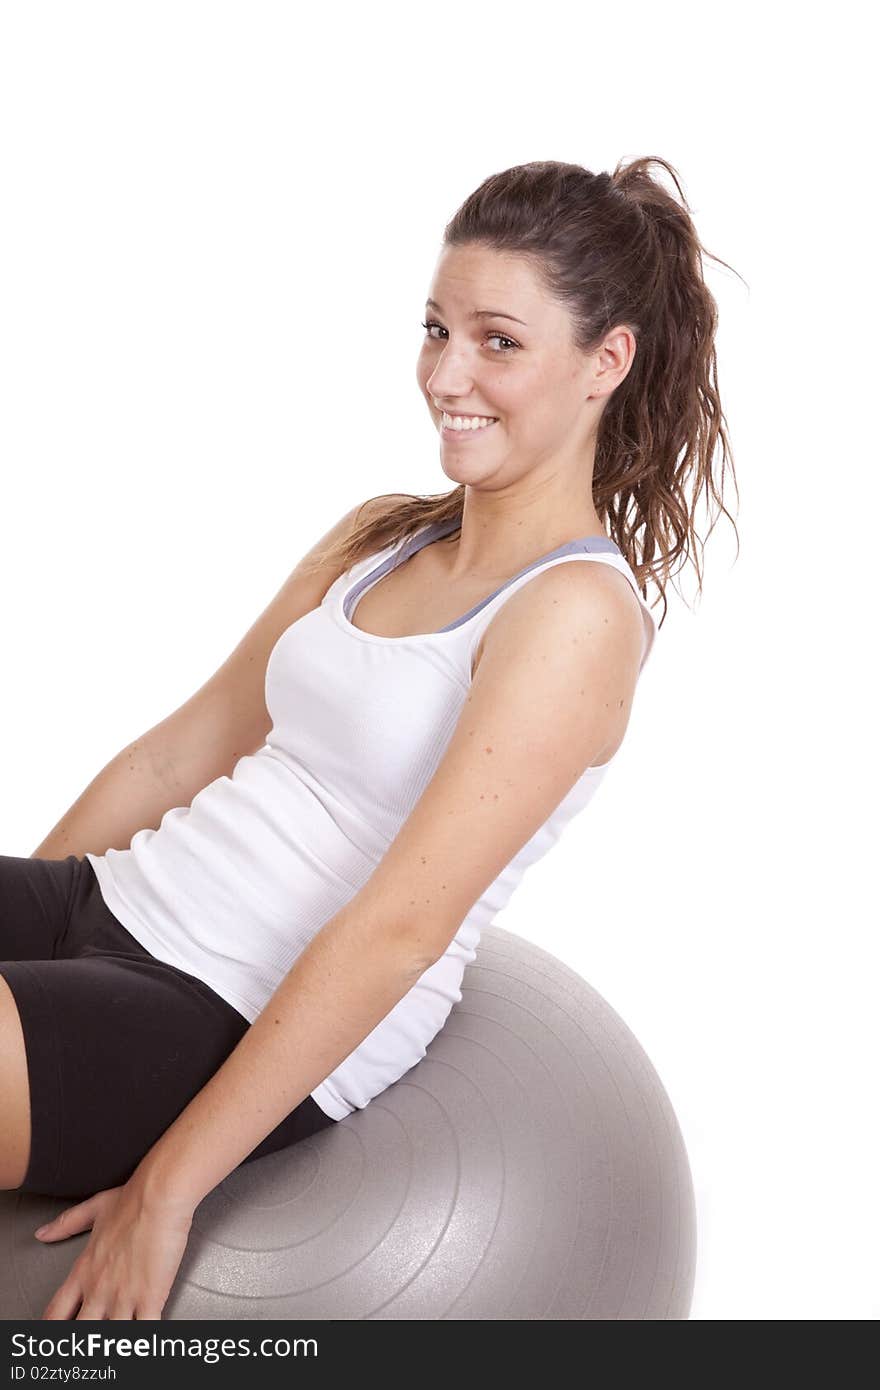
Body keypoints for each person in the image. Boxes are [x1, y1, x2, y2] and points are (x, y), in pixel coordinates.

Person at [0, 155, 739, 1319]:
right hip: (114, 901)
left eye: (498, 340)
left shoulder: (575, 617)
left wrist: (167, 1189)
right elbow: (177, 754)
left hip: (220, 1010)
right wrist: (31, 950)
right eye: (436, 328)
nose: (447, 374)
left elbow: (402, 927)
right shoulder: (382, 535)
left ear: (607, 362)